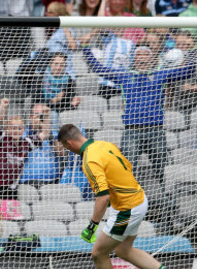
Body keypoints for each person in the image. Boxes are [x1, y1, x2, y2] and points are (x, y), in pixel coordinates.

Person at [57, 124, 187, 269]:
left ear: (70, 143)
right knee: (123, 250)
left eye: (66, 147)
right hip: (137, 198)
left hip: (128, 207)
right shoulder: (104, 145)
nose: (68, 150)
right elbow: (126, 167)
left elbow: (102, 197)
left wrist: (92, 225)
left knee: (98, 252)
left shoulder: (89, 160)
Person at [83, 45, 195, 183]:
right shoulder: (124, 75)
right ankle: (129, 203)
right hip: (132, 131)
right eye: (139, 55)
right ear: (134, 60)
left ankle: (168, 200)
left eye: (146, 55)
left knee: (164, 170)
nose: (142, 58)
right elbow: (98, 68)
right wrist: (86, 47)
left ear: (152, 59)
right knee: (127, 170)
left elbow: (188, 71)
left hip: (156, 131)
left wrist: (194, 51)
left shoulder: (161, 74)